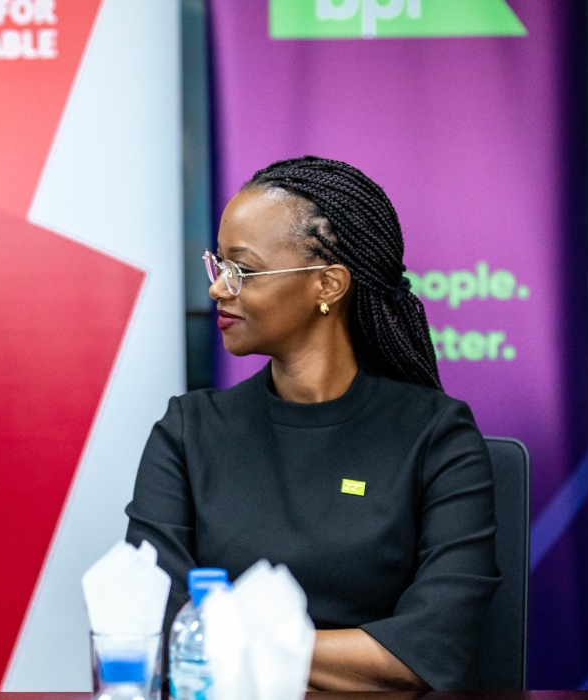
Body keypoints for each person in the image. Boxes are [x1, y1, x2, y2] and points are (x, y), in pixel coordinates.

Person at [126, 156, 499, 691]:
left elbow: (434, 650)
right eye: (218, 267)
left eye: (243, 271)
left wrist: (223, 646)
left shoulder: (437, 436)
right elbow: (160, 626)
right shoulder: (188, 432)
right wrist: (355, 662)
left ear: (327, 285)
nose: (218, 289)